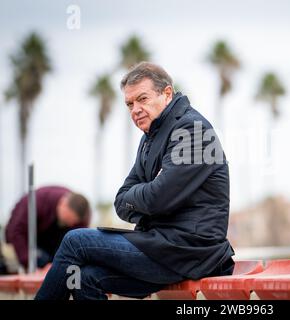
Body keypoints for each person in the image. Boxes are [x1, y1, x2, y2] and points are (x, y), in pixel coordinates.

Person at [35, 62, 235, 300]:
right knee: (85, 276)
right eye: (129, 104)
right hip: (160, 246)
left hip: (189, 251)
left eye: (142, 99)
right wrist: (149, 196)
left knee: (75, 241)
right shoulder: (151, 136)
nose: (135, 109)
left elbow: (158, 198)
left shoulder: (192, 130)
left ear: (167, 94)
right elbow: (121, 201)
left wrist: (148, 198)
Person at [5, 186, 91, 269]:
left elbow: (76, 246)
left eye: (74, 221)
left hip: (54, 244)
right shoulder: (35, 202)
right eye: (68, 219)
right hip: (27, 240)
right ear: (62, 204)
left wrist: (59, 266)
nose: (71, 224)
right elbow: (17, 231)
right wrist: (28, 263)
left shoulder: (82, 217)